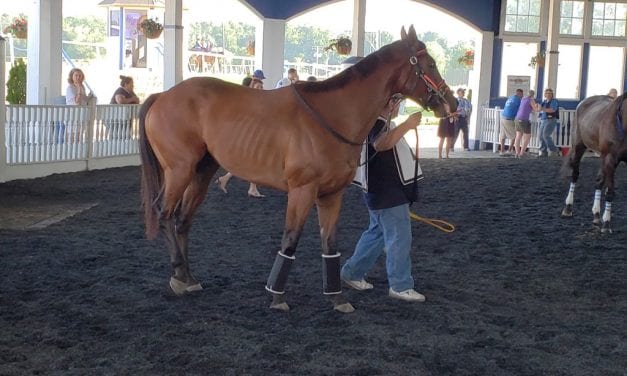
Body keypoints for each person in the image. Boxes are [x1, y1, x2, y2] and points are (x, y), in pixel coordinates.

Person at [341, 96, 426, 302]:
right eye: (398, 102)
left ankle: (352, 272)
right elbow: (381, 144)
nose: (400, 107)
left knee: (376, 234)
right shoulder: (377, 123)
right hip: (387, 192)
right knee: (399, 236)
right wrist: (407, 125)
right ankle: (400, 285)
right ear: (390, 104)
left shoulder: (375, 122)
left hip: (379, 190)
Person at [215, 76, 265, 198]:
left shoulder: (252, 99)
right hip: (249, 135)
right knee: (253, 162)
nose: (262, 89)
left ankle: (226, 179)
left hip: (250, 134)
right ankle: (251, 188)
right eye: (259, 87)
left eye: (261, 86)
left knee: (249, 162)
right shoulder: (250, 99)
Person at [537, 88, 560, 157]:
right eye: (547, 93)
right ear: (545, 94)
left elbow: (552, 110)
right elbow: (539, 109)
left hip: (551, 119)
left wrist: (542, 109)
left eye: (550, 93)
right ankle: (543, 152)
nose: (548, 95)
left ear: (552, 94)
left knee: (546, 135)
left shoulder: (554, 101)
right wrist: (537, 107)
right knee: (541, 136)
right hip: (543, 120)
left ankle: (554, 150)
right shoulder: (544, 101)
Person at [513, 89, 536, 158]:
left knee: (518, 136)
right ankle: (522, 153)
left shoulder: (523, 99)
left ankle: (517, 153)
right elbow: (535, 109)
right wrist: (539, 107)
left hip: (517, 118)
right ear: (533, 95)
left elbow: (525, 108)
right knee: (527, 136)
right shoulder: (531, 100)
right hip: (524, 119)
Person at [499, 89, 523, 155]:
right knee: (514, 136)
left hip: (503, 117)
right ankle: (509, 150)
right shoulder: (518, 100)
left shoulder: (510, 98)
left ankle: (502, 151)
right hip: (509, 119)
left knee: (503, 135)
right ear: (519, 93)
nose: (522, 96)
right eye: (522, 94)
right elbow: (521, 108)